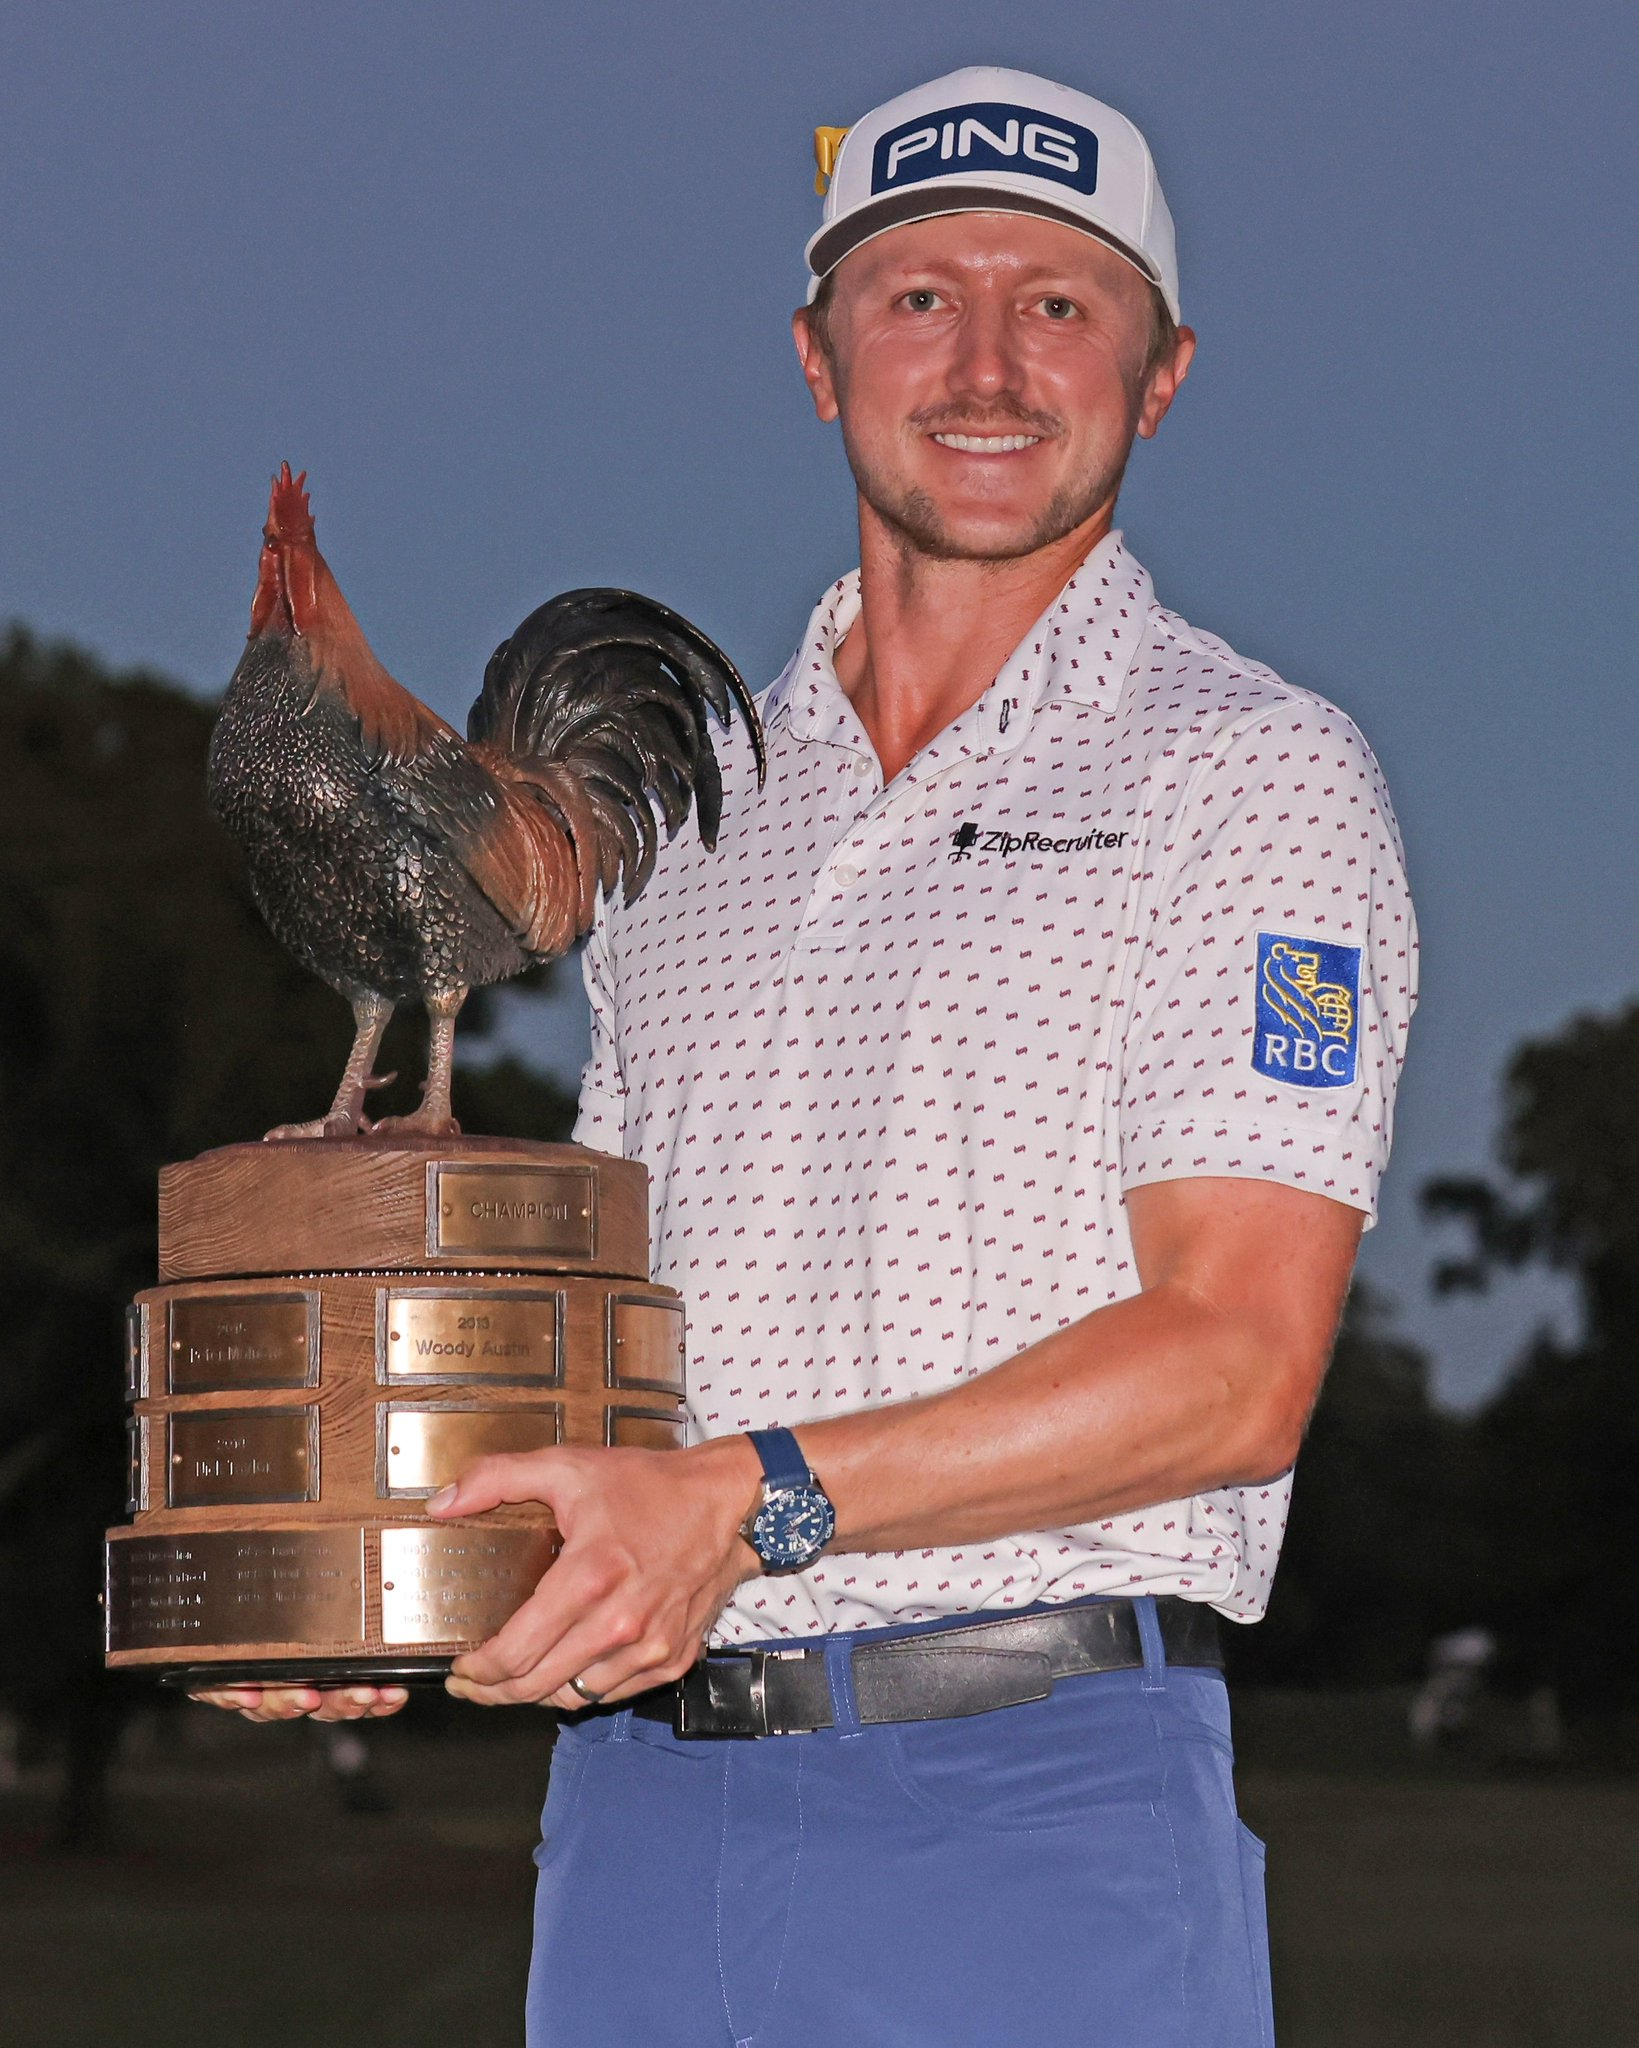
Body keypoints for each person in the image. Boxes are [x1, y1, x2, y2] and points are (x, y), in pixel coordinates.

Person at [200, 65, 1417, 2047]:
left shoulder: (1250, 774)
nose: (988, 365)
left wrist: (745, 1505)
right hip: (642, 1813)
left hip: (1029, 1803)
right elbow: (632, 1361)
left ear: (1164, 369)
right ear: (815, 354)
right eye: (919, 296)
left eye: (1061, 300)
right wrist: (398, 1565)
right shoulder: (686, 819)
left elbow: (1232, 1367)